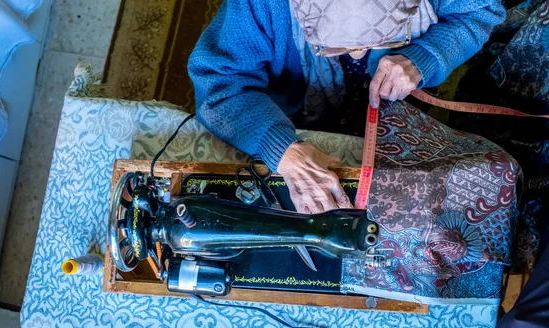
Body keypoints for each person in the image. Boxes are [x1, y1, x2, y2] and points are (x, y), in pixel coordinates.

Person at [188, 0, 505, 214]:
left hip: (401, 106)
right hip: (292, 112)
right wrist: (279, 148)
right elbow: (217, 83)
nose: (356, 57)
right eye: (334, 47)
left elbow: (481, 11)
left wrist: (424, 56)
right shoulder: (259, 6)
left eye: (380, 42)